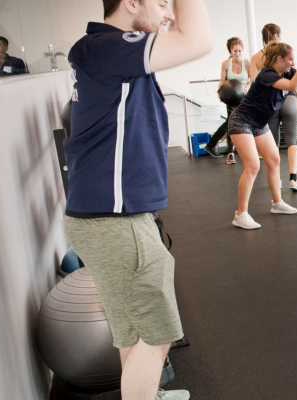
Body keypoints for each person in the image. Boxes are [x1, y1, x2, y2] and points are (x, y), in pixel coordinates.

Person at [63, 0, 212, 398]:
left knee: (134, 330)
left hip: (111, 217)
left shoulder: (106, 51)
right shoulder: (107, 46)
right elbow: (197, 39)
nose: (168, 13)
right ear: (131, 3)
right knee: (155, 334)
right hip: (114, 220)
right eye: (162, 3)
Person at [227, 41, 297, 229]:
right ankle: (240, 214)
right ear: (279, 59)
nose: (292, 63)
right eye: (290, 59)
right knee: (253, 166)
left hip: (259, 123)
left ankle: (277, 203)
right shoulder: (267, 74)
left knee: (274, 160)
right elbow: (294, 85)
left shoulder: (288, 72)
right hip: (241, 121)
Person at [250, 24, 297, 191]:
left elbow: (254, 82)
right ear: (276, 36)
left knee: (272, 144)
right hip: (289, 100)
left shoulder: (256, 58)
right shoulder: (285, 53)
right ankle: (293, 179)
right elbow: (296, 83)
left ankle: (277, 180)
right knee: (292, 142)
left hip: (270, 104)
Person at [202, 37, 250, 164]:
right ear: (231, 50)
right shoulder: (225, 64)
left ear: (243, 50)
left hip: (244, 98)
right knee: (231, 122)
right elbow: (222, 81)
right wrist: (219, 92)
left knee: (231, 122)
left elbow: (252, 79)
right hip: (231, 97)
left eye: (239, 51)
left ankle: (212, 144)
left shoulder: (247, 63)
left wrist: (248, 86)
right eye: (235, 51)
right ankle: (230, 153)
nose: (237, 53)